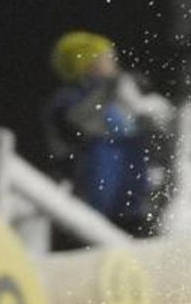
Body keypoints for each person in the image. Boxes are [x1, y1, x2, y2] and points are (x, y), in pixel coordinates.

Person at [44, 31, 175, 237]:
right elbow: (81, 125)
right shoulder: (68, 101)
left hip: (135, 193)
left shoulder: (122, 92)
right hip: (96, 196)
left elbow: (150, 120)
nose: (113, 62)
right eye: (105, 58)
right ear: (86, 64)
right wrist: (114, 90)